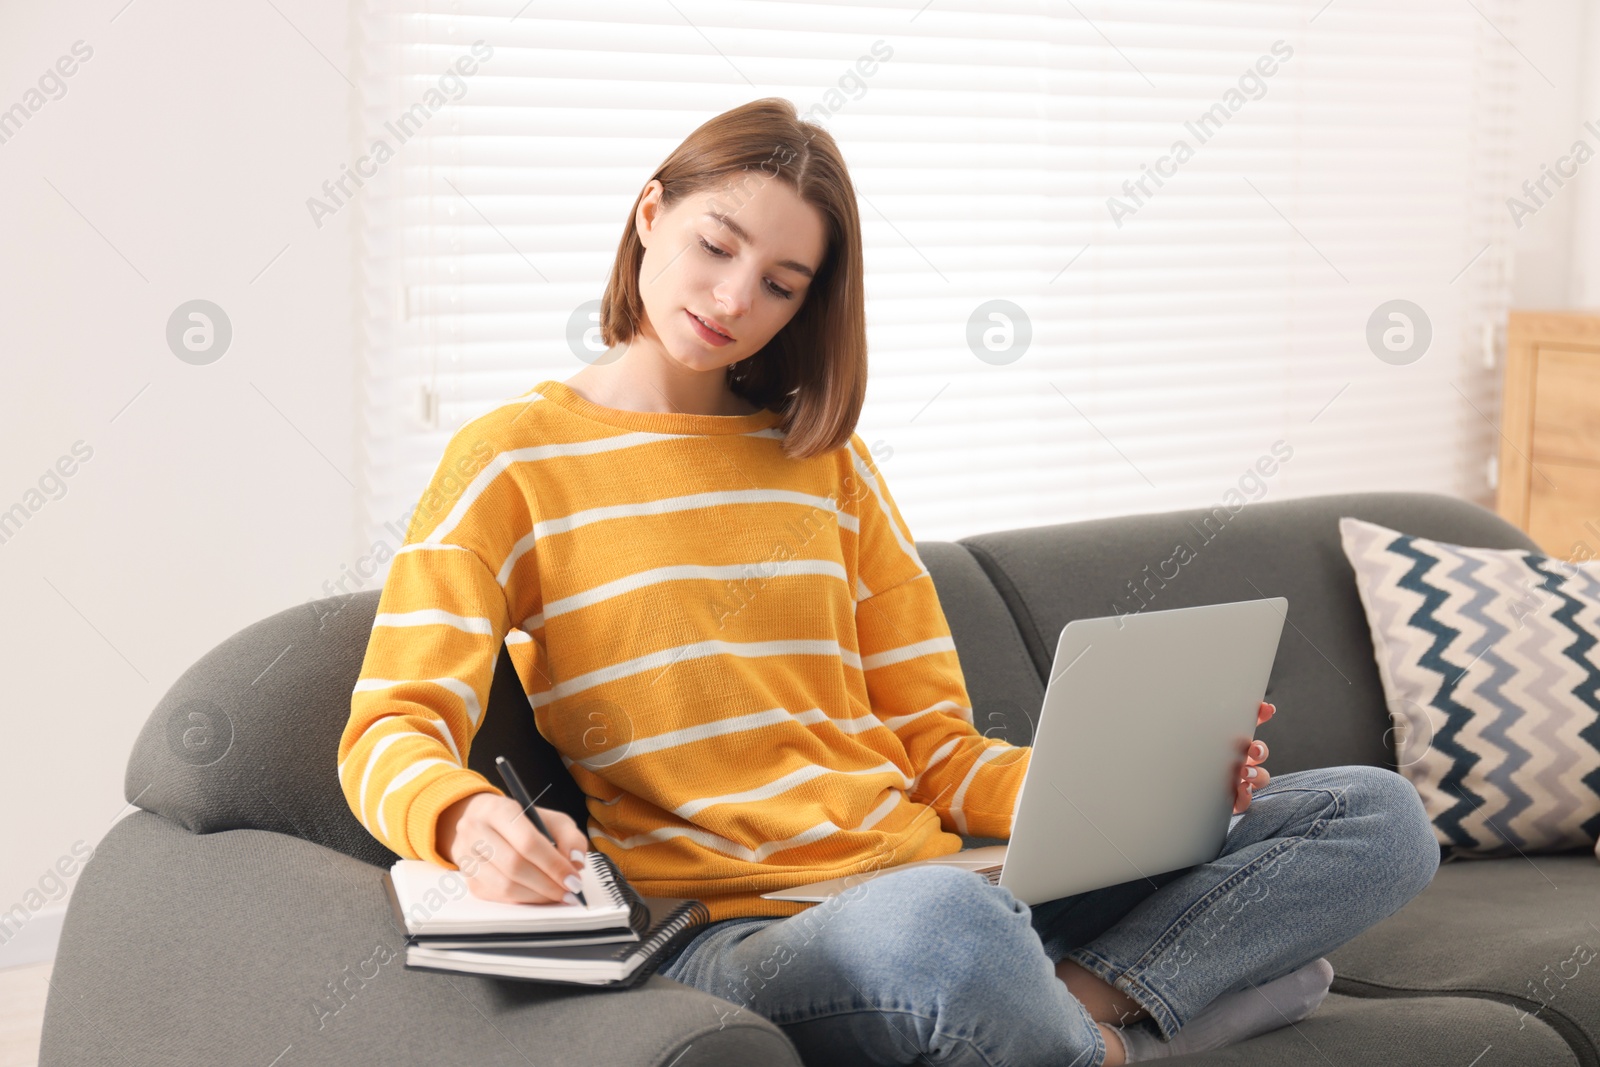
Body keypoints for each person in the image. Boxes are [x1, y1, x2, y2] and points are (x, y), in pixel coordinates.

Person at [337, 97, 1441, 1066]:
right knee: (946, 930)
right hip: (747, 933)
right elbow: (387, 725)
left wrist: (1161, 784)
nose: (731, 298)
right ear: (648, 214)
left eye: (779, 284)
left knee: (1375, 812)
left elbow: (938, 755)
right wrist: (462, 812)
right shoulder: (511, 462)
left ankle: (1077, 1004)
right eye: (714, 245)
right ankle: (1147, 1020)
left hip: (950, 880)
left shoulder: (827, 463)